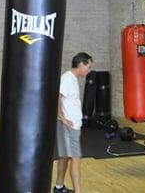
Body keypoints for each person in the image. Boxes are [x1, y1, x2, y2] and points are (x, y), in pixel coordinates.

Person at [54, 52, 93, 193]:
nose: (89, 70)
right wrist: (62, 117)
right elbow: (56, 97)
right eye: (88, 67)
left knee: (64, 157)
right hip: (69, 127)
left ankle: (59, 187)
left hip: (68, 125)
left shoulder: (71, 78)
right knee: (76, 159)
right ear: (81, 65)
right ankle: (78, 191)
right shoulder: (68, 79)